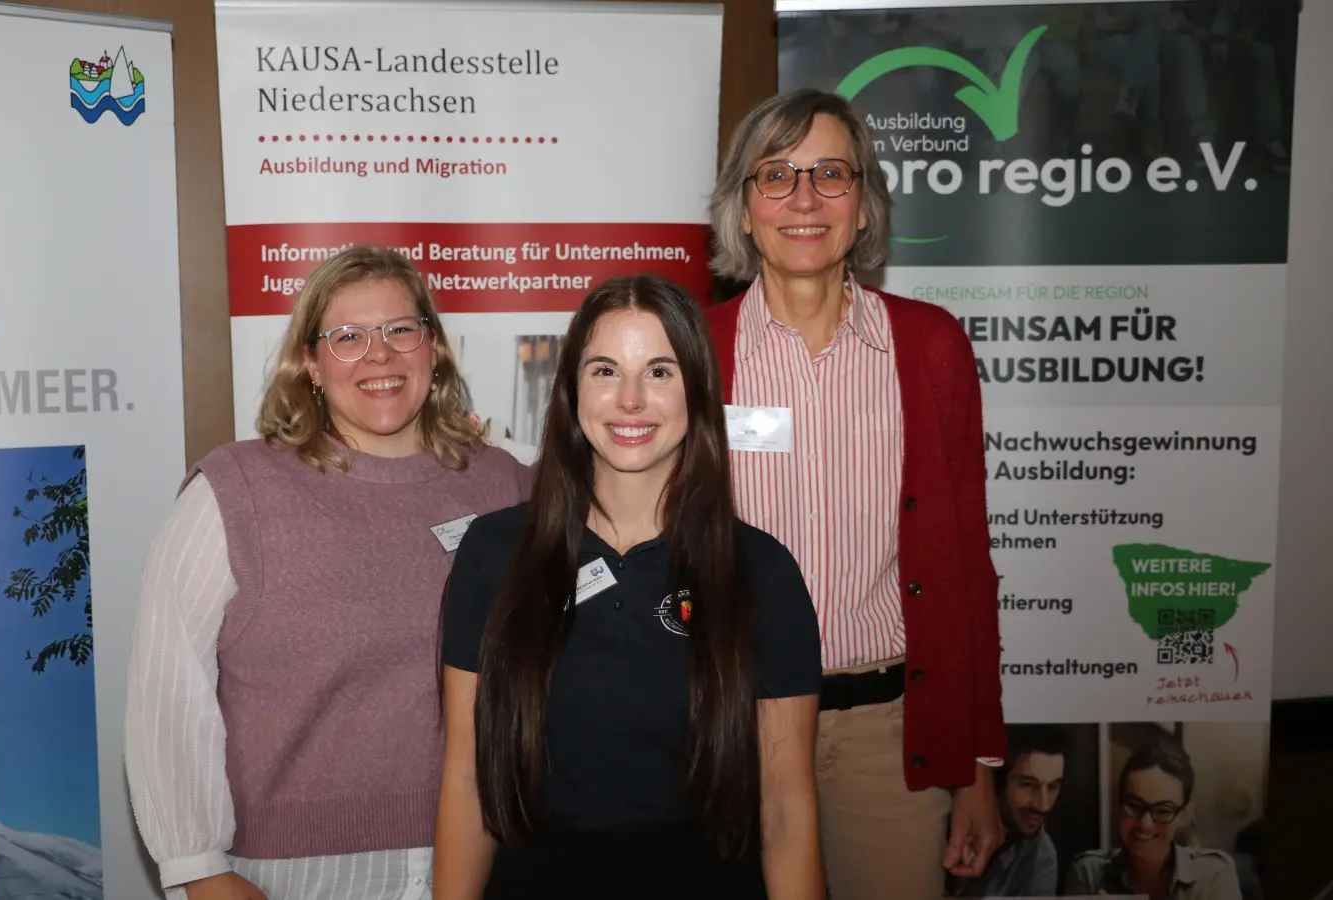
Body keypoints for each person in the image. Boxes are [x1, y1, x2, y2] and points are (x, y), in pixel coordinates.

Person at [124, 245, 532, 900]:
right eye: (348, 337)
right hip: (289, 877)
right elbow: (168, 693)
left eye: (401, 330)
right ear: (309, 363)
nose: (380, 355)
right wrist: (198, 869)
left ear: (434, 348)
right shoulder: (236, 493)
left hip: (490, 857)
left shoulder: (507, 484)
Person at [704, 87, 1006, 900]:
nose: (804, 199)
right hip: (733, 729)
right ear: (741, 211)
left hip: (889, 736)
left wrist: (976, 764)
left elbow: (966, 568)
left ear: (864, 208)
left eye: (830, 173)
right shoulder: (690, 351)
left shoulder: (931, 347)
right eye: (777, 175)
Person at [434, 274, 826, 900]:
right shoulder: (493, 553)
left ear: (698, 391)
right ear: (571, 390)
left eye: (661, 371)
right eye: (605, 370)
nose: (632, 399)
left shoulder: (761, 571)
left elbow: (787, 811)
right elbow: (466, 781)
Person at [1065, 742, 1242, 900]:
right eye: (1134, 806)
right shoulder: (1089, 872)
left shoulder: (1213, 874)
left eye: (1163, 810)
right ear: (1119, 806)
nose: (1145, 824)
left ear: (1185, 815)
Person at [951, 725, 1073, 896]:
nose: (1043, 806)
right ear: (999, 781)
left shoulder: (1042, 854)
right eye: (1028, 785)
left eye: (1053, 787)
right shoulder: (948, 821)